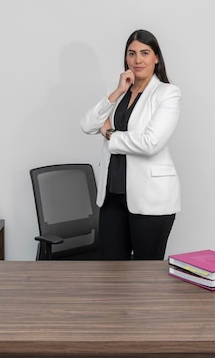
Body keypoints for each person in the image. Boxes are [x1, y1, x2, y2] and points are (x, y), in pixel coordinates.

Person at [80, 29, 181, 260]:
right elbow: (87, 124)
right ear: (126, 58)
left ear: (156, 57)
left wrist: (109, 133)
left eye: (145, 53)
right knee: (112, 273)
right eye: (132, 53)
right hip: (112, 196)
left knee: (146, 275)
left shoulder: (167, 93)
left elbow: (150, 143)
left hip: (151, 199)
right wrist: (117, 92)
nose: (138, 60)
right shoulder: (116, 90)